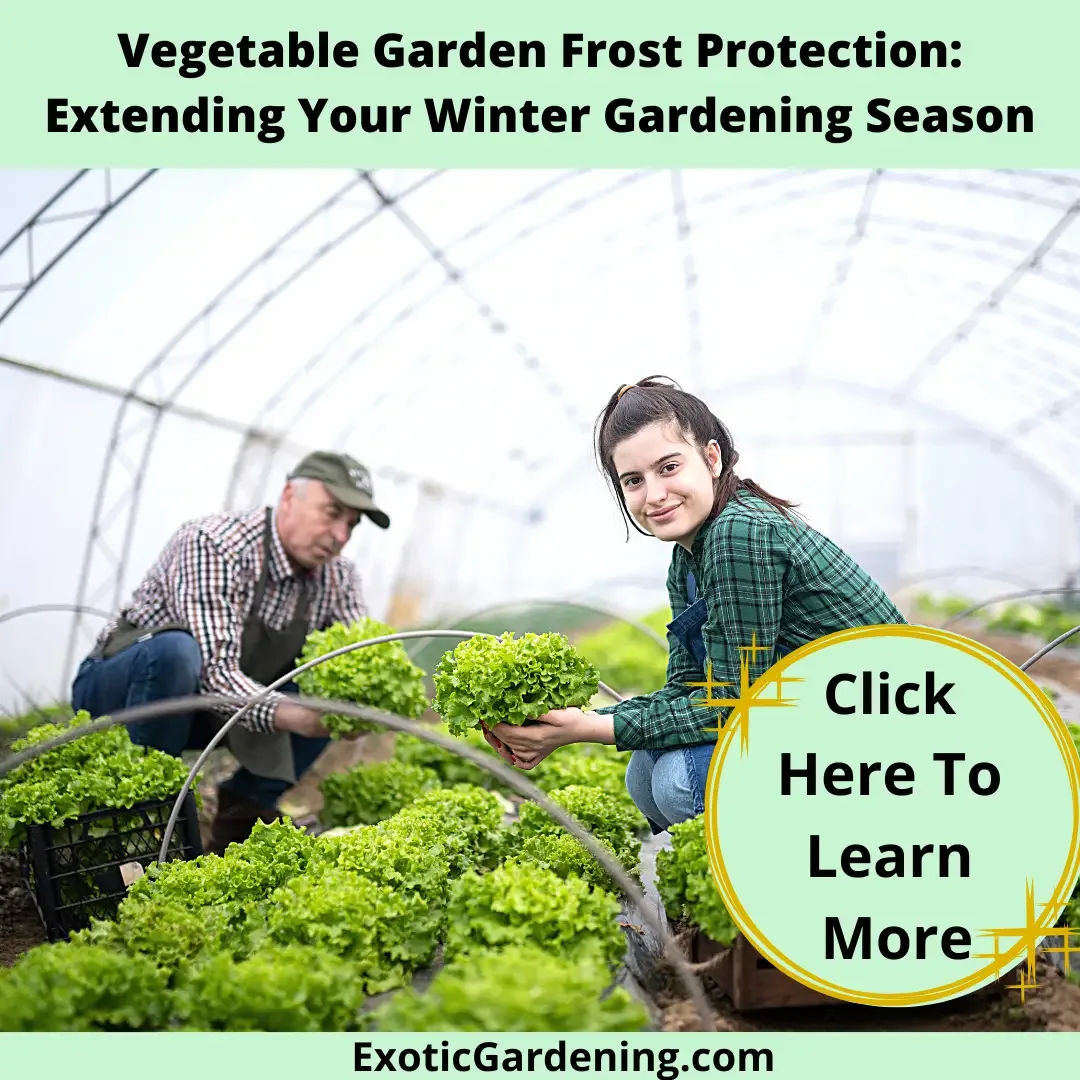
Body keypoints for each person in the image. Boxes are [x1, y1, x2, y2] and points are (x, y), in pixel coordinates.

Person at [483, 376, 907, 834]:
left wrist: (587, 729)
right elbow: (692, 687)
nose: (655, 495)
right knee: (646, 771)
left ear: (711, 458)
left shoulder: (738, 535)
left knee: (678, 780)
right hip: (816, 727)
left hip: (885, 746)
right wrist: (571, 723)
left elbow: (734, 703)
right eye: (633, 481)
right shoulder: (686, 557)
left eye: (668, 467)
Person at [71, 450, 390, 853]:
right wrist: (302, 719)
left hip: (215, 710)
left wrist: (365, 704)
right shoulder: (216, 544)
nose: (341, 535)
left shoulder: (338, 576)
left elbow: (358, 663)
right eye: (332, 513)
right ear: (290, 495)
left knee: (335, 686)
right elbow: (216, 672)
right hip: (126, 693)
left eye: (352, 523)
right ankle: (148, 813)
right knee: (175, 653)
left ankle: (244, 813)